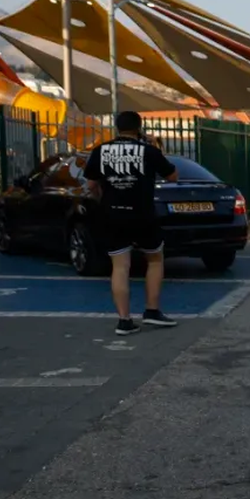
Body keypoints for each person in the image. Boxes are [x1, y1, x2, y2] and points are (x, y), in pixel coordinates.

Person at [83, 110, 180, 336]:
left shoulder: (101, 151)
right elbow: (172, 176)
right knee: (155, 259)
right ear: (139, 127)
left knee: (120, 266)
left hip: (113, 214)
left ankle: (124, 321)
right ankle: (152, 311)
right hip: (143, 214)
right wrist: (156, 149)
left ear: (117, 128)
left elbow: (90, 184)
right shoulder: (148, 150)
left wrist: (104, 197)